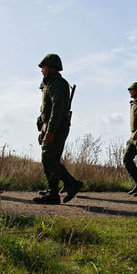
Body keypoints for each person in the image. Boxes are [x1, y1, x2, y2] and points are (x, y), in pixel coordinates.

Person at [33, 54, 83, 204]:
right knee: (49, 159)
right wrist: (42, 128)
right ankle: (53, 193)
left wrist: (51, 130)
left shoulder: (57, 83)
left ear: (51, 68)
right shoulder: (49, 84)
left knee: (49, 159)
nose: (42, 70)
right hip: (50, 126)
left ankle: (72, 183)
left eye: (44, 67)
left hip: (57, 126)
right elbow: (45, 110)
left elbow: (57, 108)